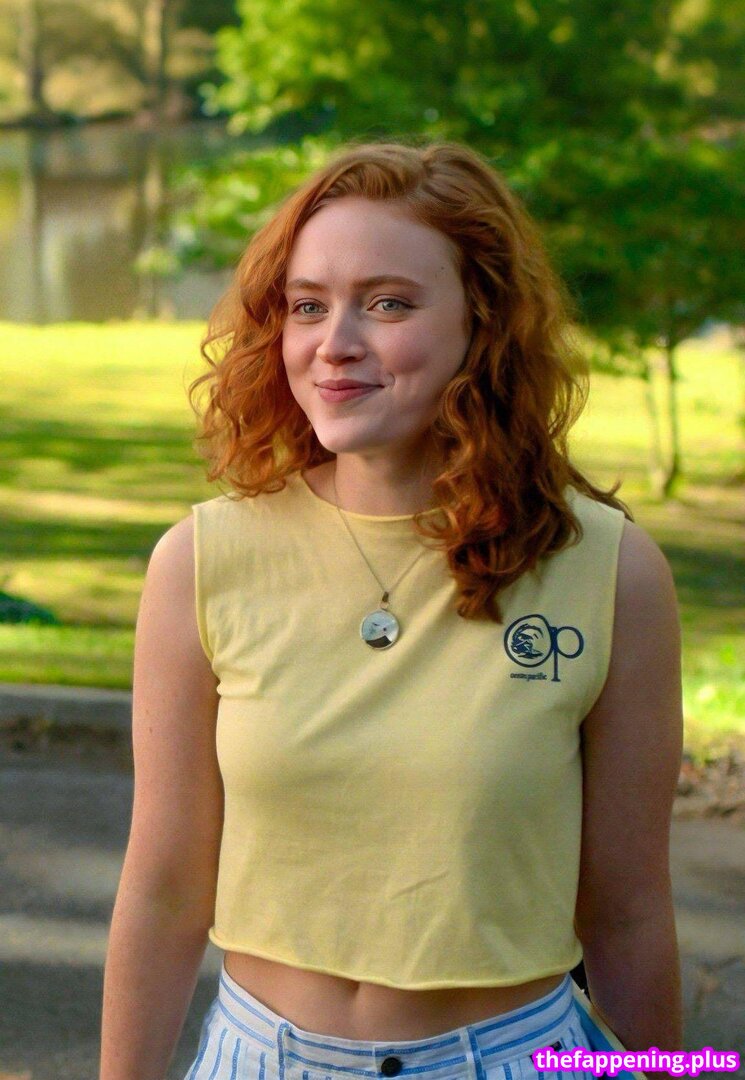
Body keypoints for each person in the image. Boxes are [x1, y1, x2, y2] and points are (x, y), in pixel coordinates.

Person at [99, 139, 684, 1080]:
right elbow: (164, 893)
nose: (334, 343)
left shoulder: (610, 573)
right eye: (307, 305)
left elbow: (627, 915)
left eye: (387, 303)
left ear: (482, 323)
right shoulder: (200, 563)